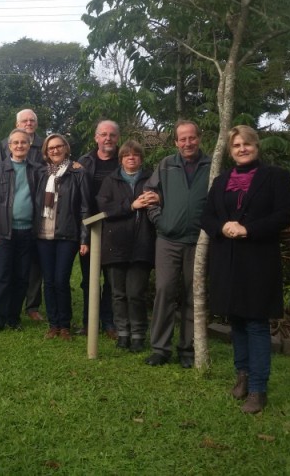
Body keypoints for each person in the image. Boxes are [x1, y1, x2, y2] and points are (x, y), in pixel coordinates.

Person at [201, 125, 290, 414]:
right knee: (236, 321)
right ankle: (241, 376)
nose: (242, 149)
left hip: (258, 259)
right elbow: (207, 215)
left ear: (257, 146)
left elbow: (284, 215)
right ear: (230, 151)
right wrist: (223, 226)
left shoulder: (275, 177)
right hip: (227, 259)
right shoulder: (222, 180)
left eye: (247, 144)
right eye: (236, 146)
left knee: (255, 323)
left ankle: (258, 389)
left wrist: (247, 229)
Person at [144, 120, 211, 368]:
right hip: (168, 240)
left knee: (194, 296)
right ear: (175, 142)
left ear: (199, 138)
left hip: (199, 242)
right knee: (164, 291)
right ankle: (160, 348)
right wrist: (160, 221)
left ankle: (188, 349)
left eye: (191, 138)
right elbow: (148, 194)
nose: (187, 143)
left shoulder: (211, 165)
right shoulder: (166, 165)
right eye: (182, 139)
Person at [96, 141, 157, 352]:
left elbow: (160, 202)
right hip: (115, 245)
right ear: (121, 159)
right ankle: (123, 333)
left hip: (142, 243)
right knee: (118, 294)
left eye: (136, 155)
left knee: (135, 293)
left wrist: (156, 199)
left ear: (141, 158)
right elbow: (104, 207)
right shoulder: (110, 180)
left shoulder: (151, 180)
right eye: (127, 155)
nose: (131, 158)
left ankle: (138, 334)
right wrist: (131, 206)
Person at [0, 128, 40, 335]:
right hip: (5, 233)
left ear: (29, 146)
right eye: (15, 143)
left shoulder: (36, 170)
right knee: (1, 276)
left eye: (23, 143)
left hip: (28, 232)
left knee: (22, 277)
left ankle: (14, 317)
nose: (19, 146)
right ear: (9, 146)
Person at [34, 134, 90, 341]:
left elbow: (85, 207)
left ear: (66, 148)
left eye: (58, 147)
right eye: (51, 148)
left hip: (67, 235)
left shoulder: (77, 173)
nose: (55, 151)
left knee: (61, 280)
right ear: (46, 152)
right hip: (43, 234)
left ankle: (65, 324)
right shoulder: (41, 173)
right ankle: (53, 323)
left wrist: (84, 238)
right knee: (48, 281)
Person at [0, 108, 45, 321]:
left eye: (32, 120)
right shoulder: (4, 146)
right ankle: (1, 313)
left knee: (30, 269)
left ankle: (31, 307)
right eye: (24, 120)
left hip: (34, 218)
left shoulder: (44, 144)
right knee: (4, 272)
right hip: (7, 223)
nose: (28, 123)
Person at [75, 119, 121, 339]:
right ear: (96, 138)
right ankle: (87, 321)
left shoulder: (125, 159)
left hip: (116, 227)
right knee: (88, 279)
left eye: (111, 135)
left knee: (111, 279)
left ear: (117, 138)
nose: (108, 138)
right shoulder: (84, 162)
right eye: (103, 134)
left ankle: (109, 321)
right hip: (89, 227)